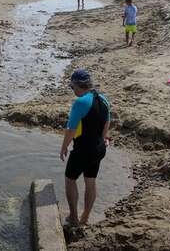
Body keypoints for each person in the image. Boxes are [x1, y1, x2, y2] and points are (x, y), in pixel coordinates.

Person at [60, 69, 111, 226]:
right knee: (90, 181)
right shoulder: (103, 99)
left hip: (83, 150)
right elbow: (107, 123)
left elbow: (71, 129)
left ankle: (74, 217)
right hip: (98, 149)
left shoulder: (80, 102)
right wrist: (103, 140)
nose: (72, 90)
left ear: (78, 85)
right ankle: (85, 218)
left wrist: (64, 147)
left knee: (70, 180)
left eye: (72, 87)